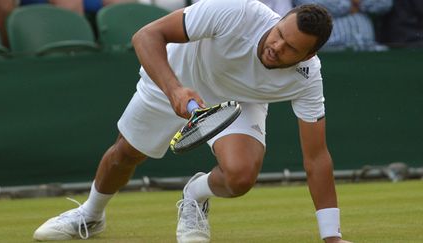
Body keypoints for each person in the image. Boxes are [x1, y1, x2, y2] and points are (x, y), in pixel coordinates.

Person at [33, 0, 351, 242]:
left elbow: (316, 157)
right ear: (279, 20)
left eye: (290, 48)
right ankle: (91, 215)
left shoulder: (308, 78)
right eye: (279, 34)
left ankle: (194, 196)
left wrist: (332, 237)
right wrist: (174, 89)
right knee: (126, 155)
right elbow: (146, 35)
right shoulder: (236, 11)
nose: (276, 47)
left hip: (240, 99)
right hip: (177, 75)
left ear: (308, 56)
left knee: (240, 177)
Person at [294, 0, 392, 51]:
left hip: (368, 48)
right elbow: (310, 6)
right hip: (331, 51)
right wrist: (350, 4)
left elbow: (384, 3)